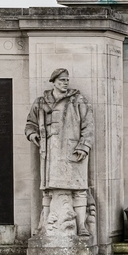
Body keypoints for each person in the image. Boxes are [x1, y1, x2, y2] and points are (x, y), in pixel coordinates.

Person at [25, 68, 94, 238]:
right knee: (48, 190)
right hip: (50, 154)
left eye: (67, 80)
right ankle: (44, 225)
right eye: (62, 80)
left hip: (73, 152)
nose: (65, 83)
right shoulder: (41, 102)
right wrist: (32, 134)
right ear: (54, 81)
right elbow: (30, 123)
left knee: (79, 188)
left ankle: (81, 226)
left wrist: (83, 146)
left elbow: (89, 125)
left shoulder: (78, 100)